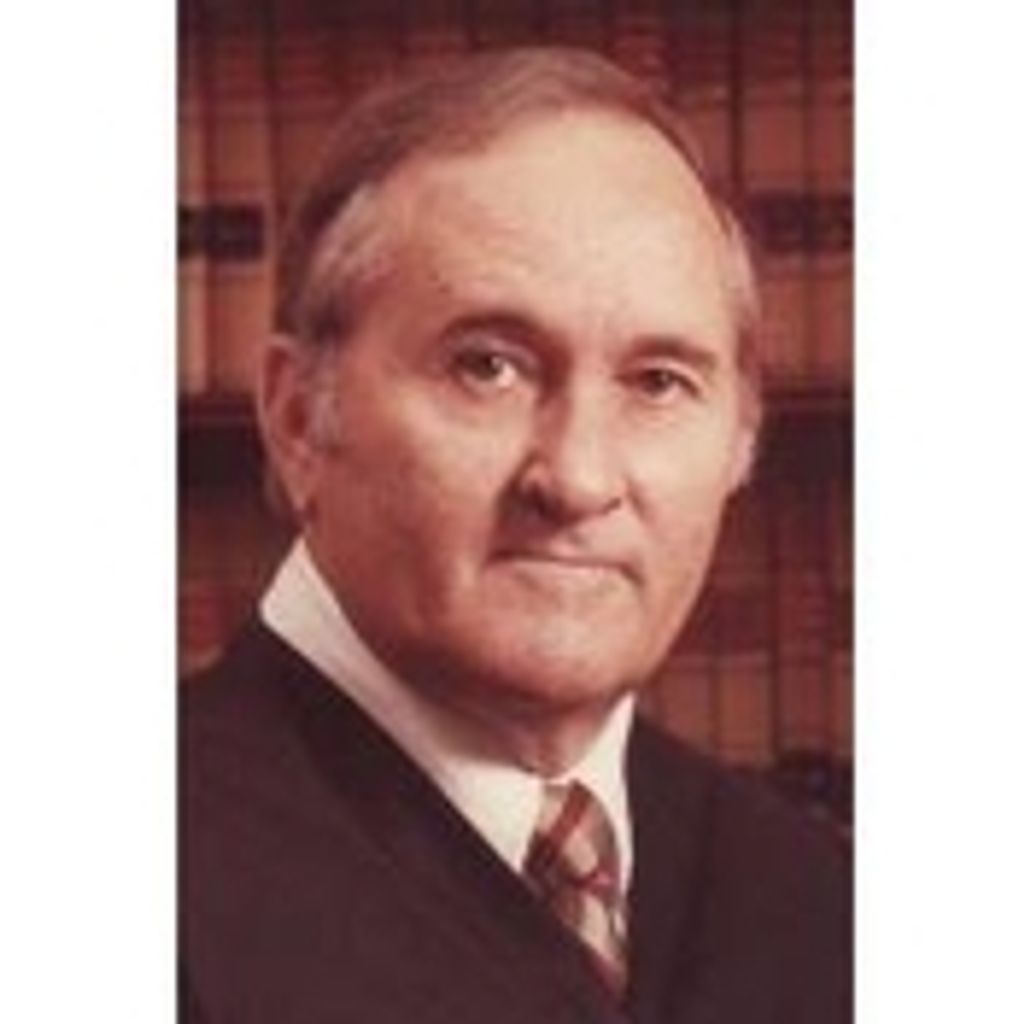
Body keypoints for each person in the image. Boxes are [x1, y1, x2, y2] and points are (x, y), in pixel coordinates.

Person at [181, 47, 850, 1024]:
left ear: (742, 439)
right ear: (297, 419)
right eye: (487, 367)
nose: (577, 479)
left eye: (658, 382)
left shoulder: (812, 898)